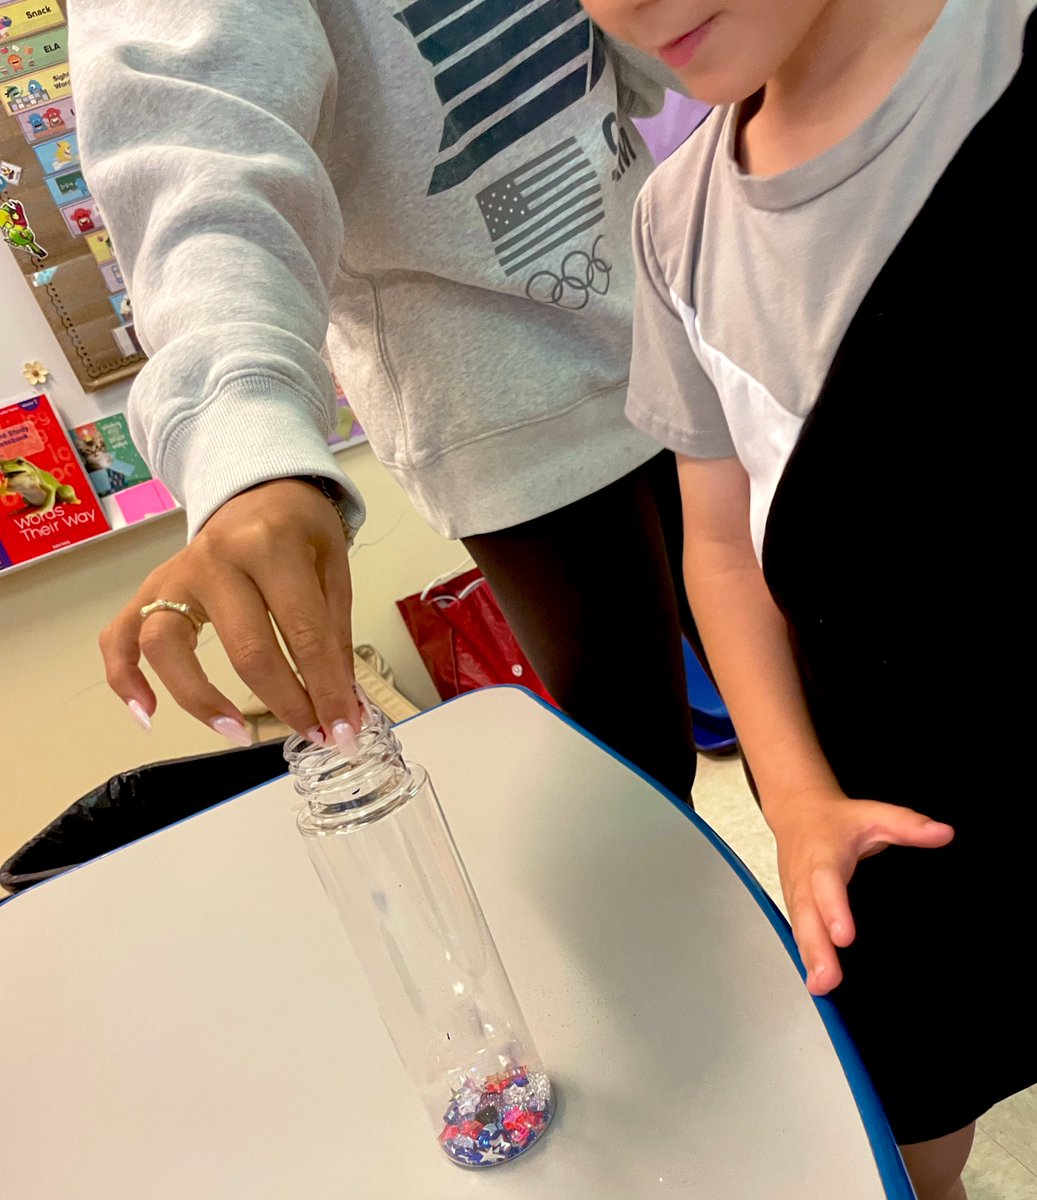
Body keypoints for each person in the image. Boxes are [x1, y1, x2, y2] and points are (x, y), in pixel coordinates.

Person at [576, 0, 1036, 1195]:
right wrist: (793, 802)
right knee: (901, 1136)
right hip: (884, 789)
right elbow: (719, 547)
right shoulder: (675, 223)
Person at [69, 1, 705, 800]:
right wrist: (241, 434)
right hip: (508, 404)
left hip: (688, 307)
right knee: (642, 766)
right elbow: (199, 158)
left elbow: (663, 56)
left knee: (815, 692)